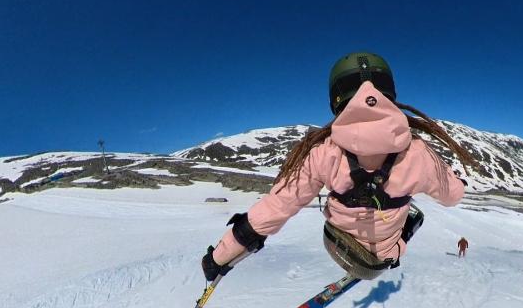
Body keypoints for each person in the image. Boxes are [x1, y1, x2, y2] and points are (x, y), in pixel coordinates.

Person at [200, 52, 478, 283]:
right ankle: (397, 244)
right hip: (377, 260)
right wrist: (458, 185)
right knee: (412, 217)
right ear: (389, 93)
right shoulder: (419, 154)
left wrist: (219, 257)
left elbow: (275, 208)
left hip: (334, 242)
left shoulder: (324, 152)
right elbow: (452, 196)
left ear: (336, 98)